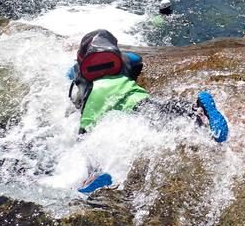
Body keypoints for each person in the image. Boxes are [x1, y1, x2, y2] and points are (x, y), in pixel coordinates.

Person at [67, 29, 228, 143]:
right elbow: (137, 58)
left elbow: (85, 130)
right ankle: (199, 108)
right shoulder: (125, 61)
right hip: (137, 99)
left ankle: (93, 174)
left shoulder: (83, 80)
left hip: (105, 111)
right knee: (164, 110)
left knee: (90, 141)